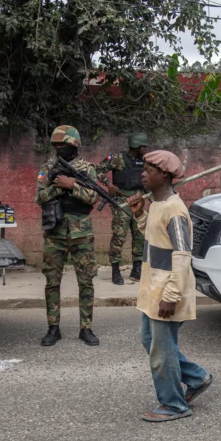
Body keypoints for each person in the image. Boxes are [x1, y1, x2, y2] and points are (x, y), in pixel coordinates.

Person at [126, 150, 213, 422]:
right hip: (154, 289)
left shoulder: (175, 210)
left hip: (167, 292)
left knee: (162, 351)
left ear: (164, 175)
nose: (143, 173)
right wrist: (140, 215)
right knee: (150, 341)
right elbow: (155, 240)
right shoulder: (157, 205)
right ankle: (197, 378)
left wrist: (171, 295)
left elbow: (182, 254)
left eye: (149, 169)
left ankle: (174, 405)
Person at [35, 125, 101, 347]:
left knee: (86, 281)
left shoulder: (87, 169)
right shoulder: (47, 168)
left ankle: (86, 328)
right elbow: (40, 197)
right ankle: (53, 328)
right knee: (52, 281)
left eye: (62, 144)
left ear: (74, 145)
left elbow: (94, 197)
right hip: (55, 232)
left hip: (82, 232)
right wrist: (57, 187)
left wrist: (72, 186)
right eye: (55, 145)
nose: (58, 148)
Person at [96, 133, 149, 285]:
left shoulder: (145, 160)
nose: (146, 149)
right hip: (122, 202)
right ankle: (115, 270)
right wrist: (109, 185)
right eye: (143, 146)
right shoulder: (117, 158)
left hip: (139, 200)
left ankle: (136, 269)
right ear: (137, 147)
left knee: (140, 236)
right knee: (119, 236)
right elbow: (97, 170)